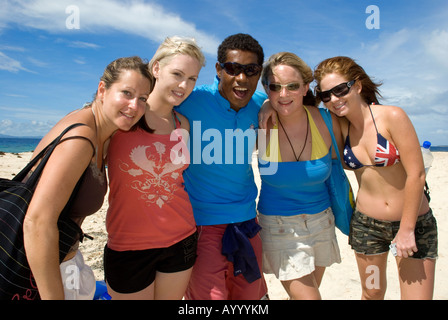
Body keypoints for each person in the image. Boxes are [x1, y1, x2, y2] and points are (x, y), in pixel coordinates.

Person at [23, 56, 153, 300]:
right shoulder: (81, 139)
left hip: (67, 261)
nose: (135, 106)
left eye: (143, 99)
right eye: (126, 93)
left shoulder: (105, 134)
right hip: (39, 271)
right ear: (102, 89)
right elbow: (37, 222)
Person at [313, 56, 438, 300]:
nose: (334, 100)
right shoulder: (340, 126)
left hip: (414, 223)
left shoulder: (392, 116)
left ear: (357, 85)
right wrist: (266, 107)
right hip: (367, 227)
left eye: (340, 90)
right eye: (326, 95)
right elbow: (303, 111)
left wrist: (407, 229)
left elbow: (417, 173)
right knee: (372, 294)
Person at [104, 36, 205, 300]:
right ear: (157, 69)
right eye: (177, 74)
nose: (184, 85)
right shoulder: (124, 116)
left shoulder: (183, 124)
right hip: (128, 246)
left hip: (181, 239)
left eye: (192, 78)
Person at [175, 33, 268, 300]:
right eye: (233, 68)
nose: (242, 78)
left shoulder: (261, 103)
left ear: (258, 73)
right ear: (218, 70)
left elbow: (301, 107)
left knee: (250, 299)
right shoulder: (190, 100)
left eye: (250, 71)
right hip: (201, 226)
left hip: (248, 222)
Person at [256, 52, 342, 300]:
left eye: (292, 86)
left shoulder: (327, 121)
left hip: (322, 223)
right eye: (275, 87)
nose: (283, 94)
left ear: (305, 87)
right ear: (266, 89)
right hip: (278, 226)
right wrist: (263, 104)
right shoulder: (260, 123)